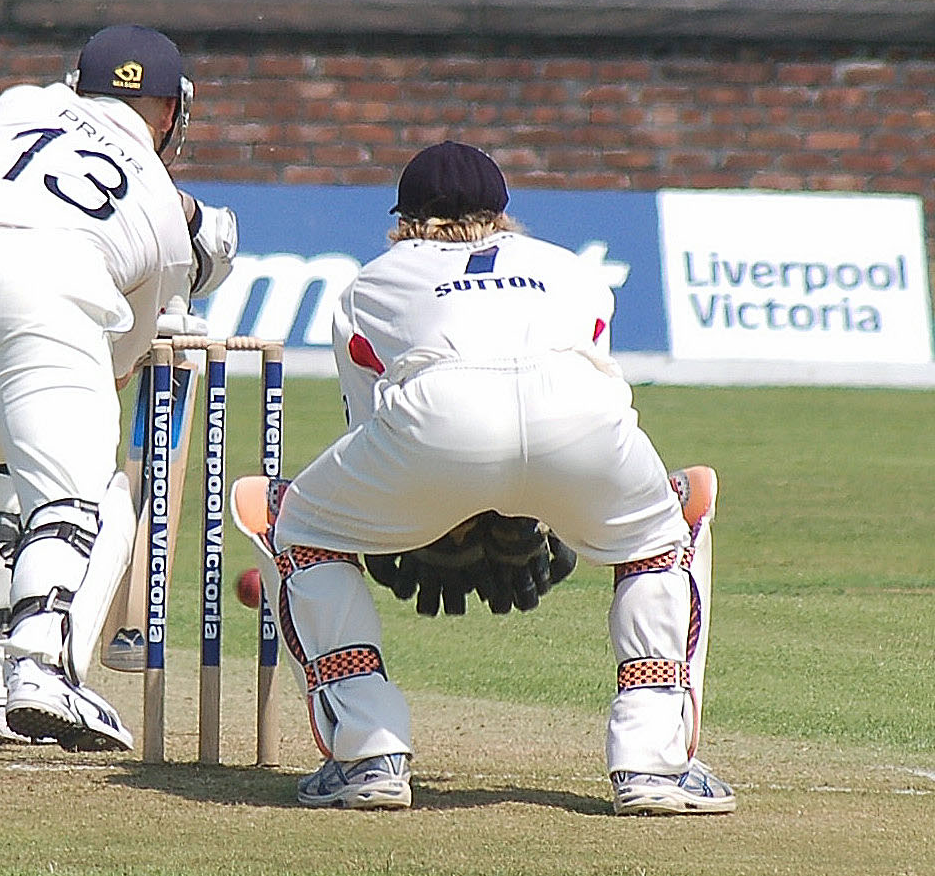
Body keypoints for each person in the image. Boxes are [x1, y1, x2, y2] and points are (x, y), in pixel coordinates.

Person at [233, 139, 732, 814]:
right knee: (665, 530)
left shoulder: (371, 282)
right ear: (501, 214)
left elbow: (369, 425)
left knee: (292, 521)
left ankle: (366, 752)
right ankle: (655, 764)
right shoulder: (570, 268)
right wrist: (532, 510)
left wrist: (443, 516)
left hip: (437, 418)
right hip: (582, 422)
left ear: (406, 221)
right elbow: (593, 394)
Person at [0, 23, 238, 748]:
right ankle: (43, 669)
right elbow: (123, 362)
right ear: (171, 112)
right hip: (44, 291)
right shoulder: (163, 210)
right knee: (84, 494)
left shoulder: (18, 103)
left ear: (78, 84)